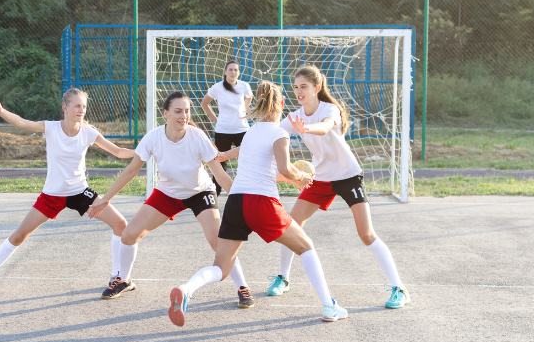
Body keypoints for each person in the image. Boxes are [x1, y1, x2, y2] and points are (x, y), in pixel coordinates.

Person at [168, 81, 348, 327]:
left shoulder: (251, 133)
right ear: (281, 104)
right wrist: (300, 176)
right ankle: (329, 305)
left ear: (258, 104)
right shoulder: (279, 134)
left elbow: (258, 165)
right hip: (261, 202)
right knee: (306, 247)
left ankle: (186, 289)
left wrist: (226, 155)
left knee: (221, 268)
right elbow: (285, 168)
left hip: (236, 202)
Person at [88, 91, 255, 307]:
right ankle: (123, 280)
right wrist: (105, 198)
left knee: (218, 242)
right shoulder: (153, 138)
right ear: (165, 113)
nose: (183, 116)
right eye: (178, 111)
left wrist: (243, 200)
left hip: (200, 192)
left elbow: (220, 175)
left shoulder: (197, 137)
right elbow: (130, 171)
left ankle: (242, 287)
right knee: (129, 235)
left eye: (186, 111)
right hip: (168, 194)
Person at [268, 65, 410, 309]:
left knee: (366, 234)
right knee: (291, 225)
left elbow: (325, 126)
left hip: (348, 175)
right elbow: (271, 135)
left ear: (316, 87)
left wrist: (306, 129)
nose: (299, 92)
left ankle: (399, 288)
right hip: (320, 177)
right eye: (296, 87)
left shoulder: (329, 109)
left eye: (304, 87)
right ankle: (283, 277)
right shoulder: (295, 116)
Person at [0, 88, 136, 293]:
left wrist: (142, 151)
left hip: (80, 192)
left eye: (84, 106)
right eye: (77, 106)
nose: (81, 110)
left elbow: (118, 152)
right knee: (20, 235)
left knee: (120, 224)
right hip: (52, 195)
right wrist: (0, 111)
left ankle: (118, 276)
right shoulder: (51, 128)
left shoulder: (89, 132)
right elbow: (22, 123)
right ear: (65, 107)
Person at [200, 60, 253, 195]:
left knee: (247, 161)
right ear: (225, 72)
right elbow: (204, 103)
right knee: (220, 163)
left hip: (242, 130)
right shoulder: (217, 87)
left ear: (239, 72)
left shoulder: (244, 86)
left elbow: (249, 97)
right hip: (223, 131)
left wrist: (244, 110)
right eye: (230, 69)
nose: (233, 72)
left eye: (236, 70)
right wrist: (215, 119)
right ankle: (214, 194)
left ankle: (247, 191)